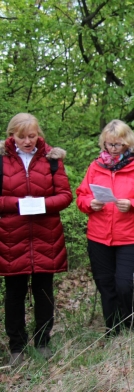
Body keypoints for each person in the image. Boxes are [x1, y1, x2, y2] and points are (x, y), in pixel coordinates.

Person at [76, 120, 134, 335]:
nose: (112, 149)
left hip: (132, 236)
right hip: (99, 235)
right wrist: (89, 204)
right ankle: (113, 329)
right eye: (108, 145)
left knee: (125, 284)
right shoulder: (95, 166)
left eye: (117, 145)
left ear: (127, 143)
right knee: (105, 284)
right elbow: (81, 196)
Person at [0, 113, 72, 366]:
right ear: (12, 136)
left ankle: (43, 342)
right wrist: (19, 205)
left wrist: (41, 204)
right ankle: (17, 346)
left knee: (44, 293)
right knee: (14, 295)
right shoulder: (2, 160)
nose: (28, 141)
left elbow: (65, 196)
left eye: (32, 136)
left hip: (46, 236)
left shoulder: (52, 160)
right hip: (11, 238)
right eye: (22, 137)